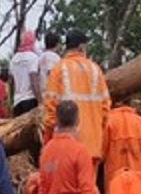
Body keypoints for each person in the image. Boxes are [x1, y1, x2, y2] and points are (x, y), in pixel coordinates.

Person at [43, 30, 112, 170]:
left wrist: (49, 140)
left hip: (65, 148)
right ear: (82, 47)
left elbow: (50, 110)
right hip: (92, 146)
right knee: (88, 189)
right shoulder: (96, 70)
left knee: (66, 189)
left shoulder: (58, 70)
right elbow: (105, 109)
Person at [104, 99, 141, 185]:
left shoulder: (109, 120)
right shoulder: (140, 121)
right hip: (138, 176)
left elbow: (102, 150)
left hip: (115, 175)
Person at [9, 31, 41, 116]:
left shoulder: (14, 59)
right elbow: (34, 80)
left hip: (17, 103)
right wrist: (41, 102)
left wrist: (12, 101)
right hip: (30, 100)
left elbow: (11, 83)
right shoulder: (33, 57)